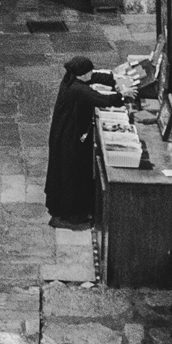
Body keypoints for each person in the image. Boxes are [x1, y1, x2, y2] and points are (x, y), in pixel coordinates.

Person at [45, 53, 102, 226]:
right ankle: (73, 214)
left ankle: (71, 211)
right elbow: (101, 99)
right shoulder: (78, 89)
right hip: (70, 140)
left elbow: (95, 77)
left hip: (65, 136)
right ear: (83, 74)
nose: (92, 74)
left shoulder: (70, 81)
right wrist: (121, 96)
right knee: (72, 177)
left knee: (69, 175)